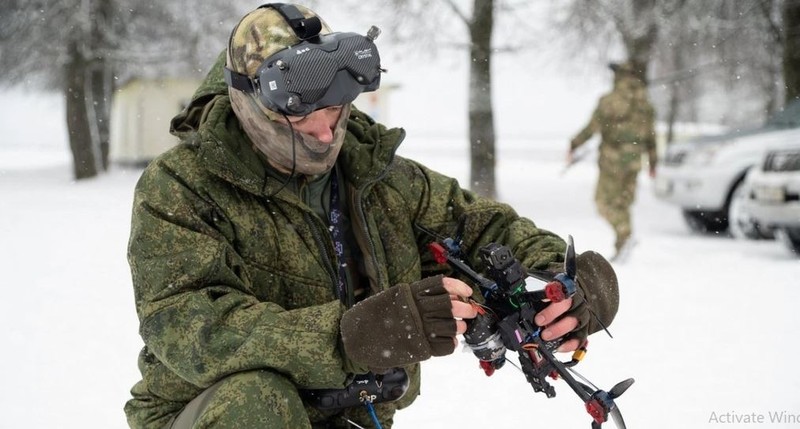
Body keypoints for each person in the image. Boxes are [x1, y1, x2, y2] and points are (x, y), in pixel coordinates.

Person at [124, 4, 620, 428]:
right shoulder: (180, 186)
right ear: (248, 104)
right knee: (259, 400)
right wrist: (355, 335)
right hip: (206, 412)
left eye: (336, 108)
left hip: (349, 412)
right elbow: (189, 326)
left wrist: (568, 283)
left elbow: (485, 227)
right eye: (301, 114)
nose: (325, 132)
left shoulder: (375, 174)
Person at [568, 61, 658, 261]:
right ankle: (622, 245)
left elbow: (591, 129)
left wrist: (573, 144)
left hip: (612, 162)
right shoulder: (646, 105)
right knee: (623, 203)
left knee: (603, 203)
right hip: (635, 161)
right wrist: (653, 163)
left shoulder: (609, 100)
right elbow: (652, 137)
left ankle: (625, 234)